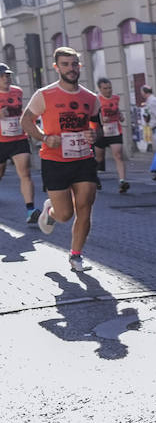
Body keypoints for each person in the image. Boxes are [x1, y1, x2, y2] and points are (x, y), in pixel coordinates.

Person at [22, 47, 101, 271]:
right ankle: (51, 211)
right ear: (57, 68)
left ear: (80, 66)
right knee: (65, 214)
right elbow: (26, 121)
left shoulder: (90, 98)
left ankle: (76, 256)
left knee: (85, 206)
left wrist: (94, 134)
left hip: (84, 159)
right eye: (65, 64)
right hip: (54, 161)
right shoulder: (44, 94)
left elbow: (98, 127)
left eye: (74, 64)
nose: (71, 68)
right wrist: (44, 137)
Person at [0, 63, 39, 222]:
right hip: (0, 142)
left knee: (25, 173)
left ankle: (30, 210)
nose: (6, 78)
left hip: (18, 138)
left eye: (8, 75)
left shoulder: (18, 92)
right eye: (2, 76)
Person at [92, 78, 130, 194]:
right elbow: (92, 116)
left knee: (118, 155)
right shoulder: (96, 100)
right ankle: (94, 178)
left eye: (110, 88)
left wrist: (120, 116)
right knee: (99, 158)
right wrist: (102, 120)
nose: (108, 90)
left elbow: (117, 110)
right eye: (105, 88)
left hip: (115, 130)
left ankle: (122, 181)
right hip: (101, 132)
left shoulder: (115, 98)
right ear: (100, 89)